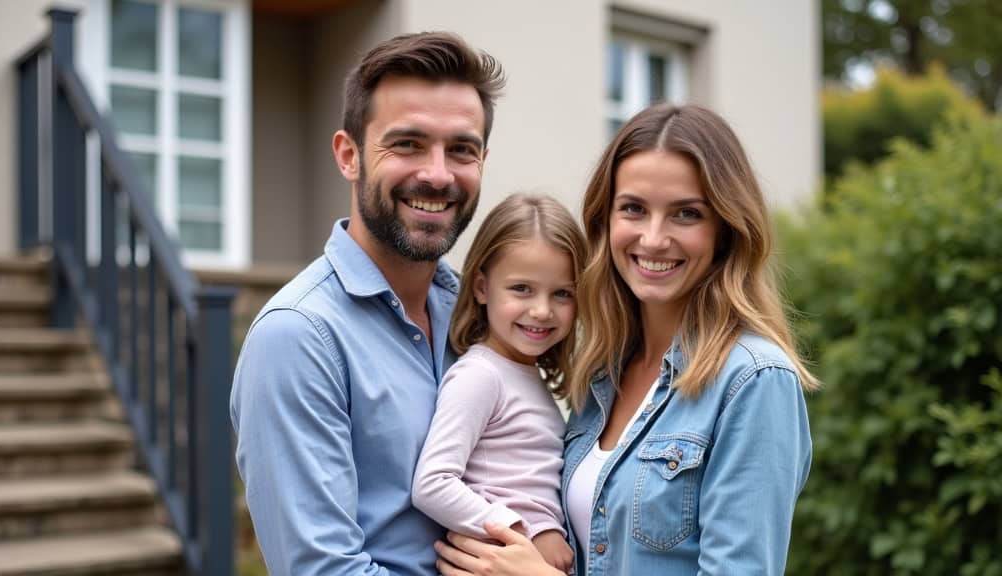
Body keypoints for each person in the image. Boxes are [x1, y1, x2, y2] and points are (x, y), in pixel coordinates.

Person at [434, 103, 819, 575]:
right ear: (605, 220)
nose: (653, 239)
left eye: (686, 214)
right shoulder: (602, 375)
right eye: (634, 209)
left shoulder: (754, 381)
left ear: (725, 229)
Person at [230, 32, 505, 575]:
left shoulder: (476, 315)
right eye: (406, 144)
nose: (438, 174)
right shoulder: (299, 337)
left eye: (461, 150)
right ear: (349, 155)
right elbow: (324, 569)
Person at [411, 193, 587, 574]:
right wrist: (525, 532)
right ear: (481, 287)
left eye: (562, 293)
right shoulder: (480, 376)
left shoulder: (526, 373)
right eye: (521, 289)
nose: (542, 310)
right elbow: (433, 483)